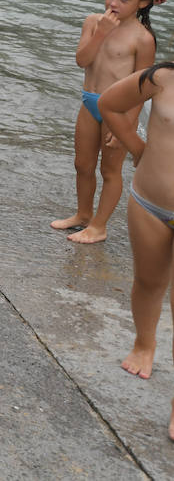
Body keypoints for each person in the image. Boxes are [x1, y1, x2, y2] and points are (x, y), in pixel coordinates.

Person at [51, 0, 157, 242]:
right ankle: (83, 215)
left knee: (109, 170)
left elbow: (142, 88)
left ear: (143, 3)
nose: (113, 3)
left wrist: (129, 124)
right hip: (90, 102)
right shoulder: (92, 22)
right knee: (82, 164)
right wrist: (100, 33)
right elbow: (82, 60)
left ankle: (99, 226)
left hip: (119, 111)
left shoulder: (143, 39)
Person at [101, 62, 174, 412]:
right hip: (150, 204)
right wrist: (137, 147)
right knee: (148, 282)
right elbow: (109, 103)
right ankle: (144, 343)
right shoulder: (162, 78)